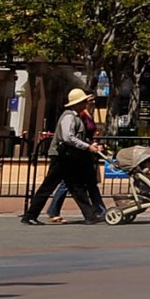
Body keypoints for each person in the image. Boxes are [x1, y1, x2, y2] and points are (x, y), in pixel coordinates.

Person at [22, 88, 109, 225]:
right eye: (83, 101)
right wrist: (87, 147)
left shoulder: (77, 117)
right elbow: (68, 137)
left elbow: (78, 137)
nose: (85, 104)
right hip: (61, 157)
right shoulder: (68, 116)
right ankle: (30, 215)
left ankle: (90, 215)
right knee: (48, 186)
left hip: (70, 158)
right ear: (77, 103)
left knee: (77, 187)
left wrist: (91, 144)